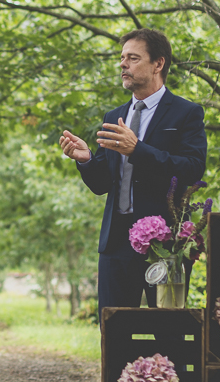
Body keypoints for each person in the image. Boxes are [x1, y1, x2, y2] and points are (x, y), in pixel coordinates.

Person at [60, 29, 207, 312]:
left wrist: (137, 149)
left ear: (158, 64)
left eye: (132, 58)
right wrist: (87, 160)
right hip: (116, 242)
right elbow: (103, 183)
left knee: (168, 331)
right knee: (113, 332)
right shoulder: (113, 116)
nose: (122, 64)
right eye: (122, 58)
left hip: (166, 245)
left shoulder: (186, 113)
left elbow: (192, 169)